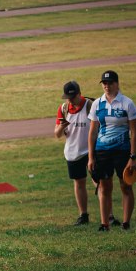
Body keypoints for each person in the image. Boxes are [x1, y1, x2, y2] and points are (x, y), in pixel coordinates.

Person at [87, 70, 136, 231]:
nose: (107, 86)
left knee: (126, 186)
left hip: (122, 151)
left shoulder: (127, 103)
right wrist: (91, 156)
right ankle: (105, 224)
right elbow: (93, 132)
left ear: (117, 83)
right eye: (104, 83)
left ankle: (126, 223)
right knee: (104, 186)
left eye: (110, 83)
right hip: (102, 151)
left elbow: (135, 132)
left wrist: (133, 157)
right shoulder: (97, 103)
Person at [55, 81, 94, 225]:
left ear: (79, 94)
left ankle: (108, 215)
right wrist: (61, 127)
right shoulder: (64, 108)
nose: (70, 100)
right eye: (68, 97)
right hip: (73, 151)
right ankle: (83, 215)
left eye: (73, 97)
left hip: (91, 150)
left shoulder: (91, 106)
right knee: (79, 183)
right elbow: (57, 134)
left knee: (99, 181)